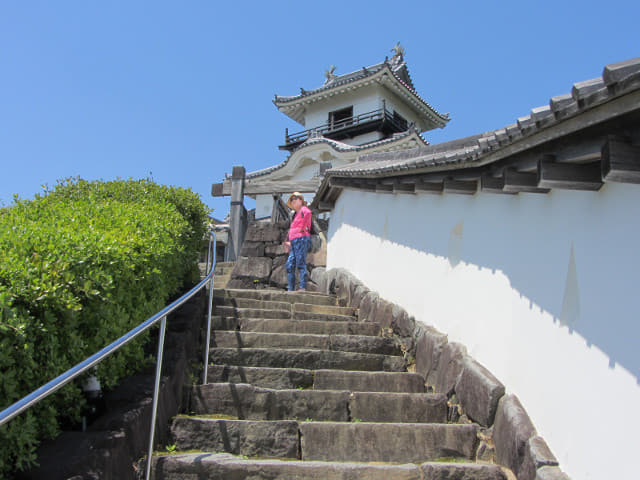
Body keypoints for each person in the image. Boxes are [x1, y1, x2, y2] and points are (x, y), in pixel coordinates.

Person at [284, 192, 312, 291]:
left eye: (295, 198)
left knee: (300, 262)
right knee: (290, 264)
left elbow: (308, 213)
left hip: (301, 238)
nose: (293, 201)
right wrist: (288, 240)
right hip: (294, 240)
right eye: (292, 199)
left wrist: (302, 227)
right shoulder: (296, 214)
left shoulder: (303, 210)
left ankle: (302, 287)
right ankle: (291, 288)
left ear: (300, 200)